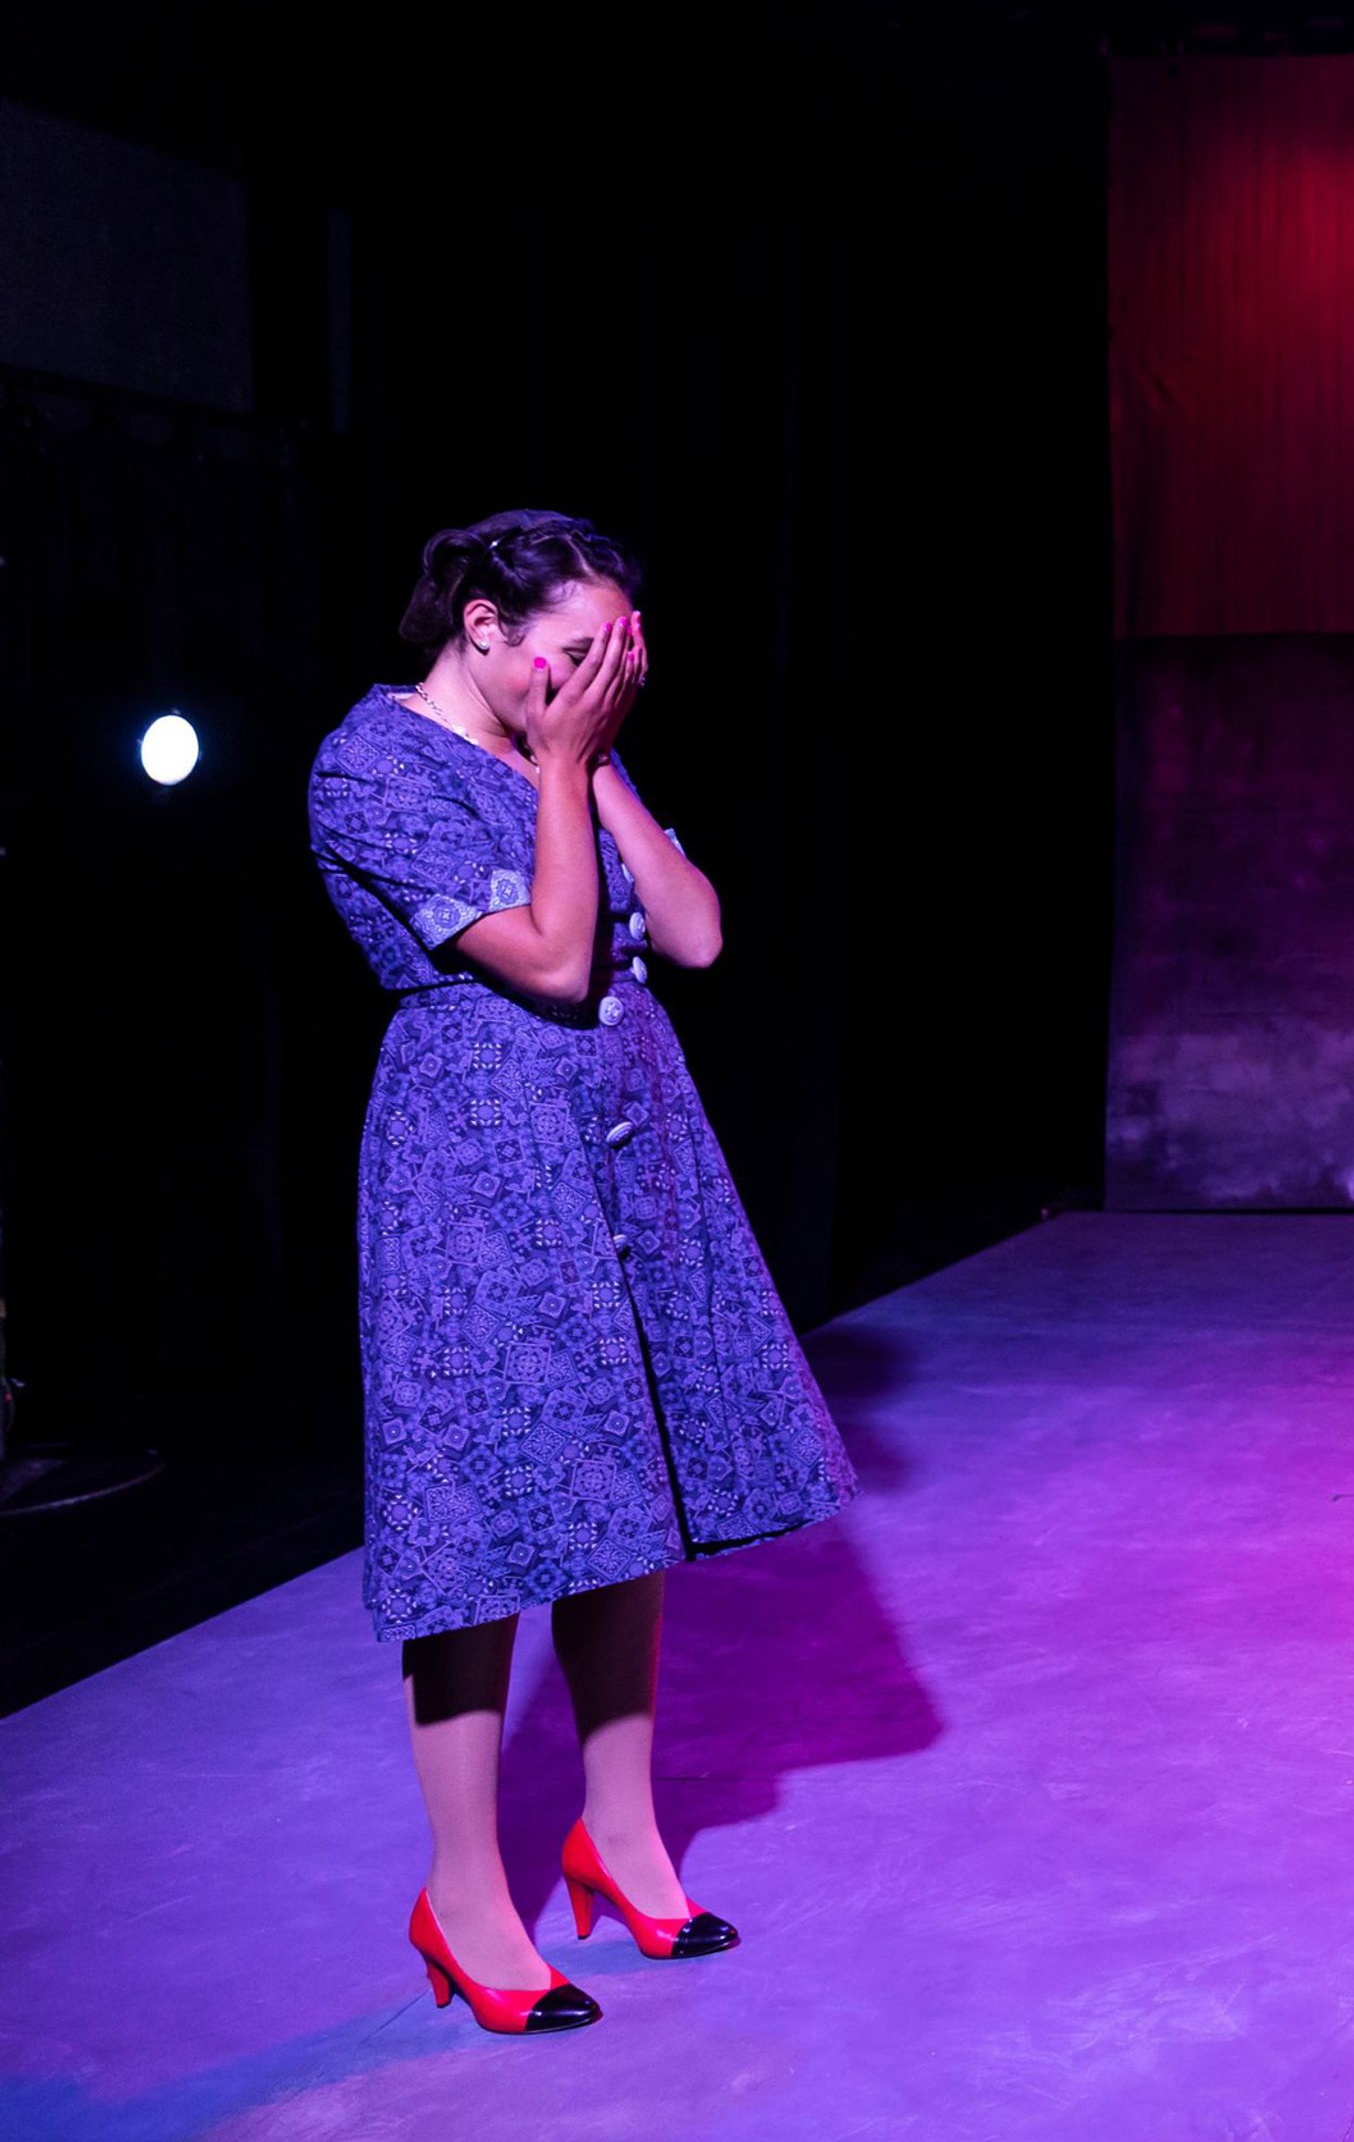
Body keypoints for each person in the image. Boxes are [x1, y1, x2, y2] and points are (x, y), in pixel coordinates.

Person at [308, 512, 852, 2035]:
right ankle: (464, 1895)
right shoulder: (367, 764)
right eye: (574, 653)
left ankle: (618, 1840)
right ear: (480, 629)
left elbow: (692, 931)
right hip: (476, 1158)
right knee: (481, 1520)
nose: (602, 678)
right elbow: (550, 957)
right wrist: (561, 764)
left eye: (619, 656)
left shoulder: (572, 745)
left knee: (626, 1502)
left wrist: (592, 755)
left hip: (629, 1138)